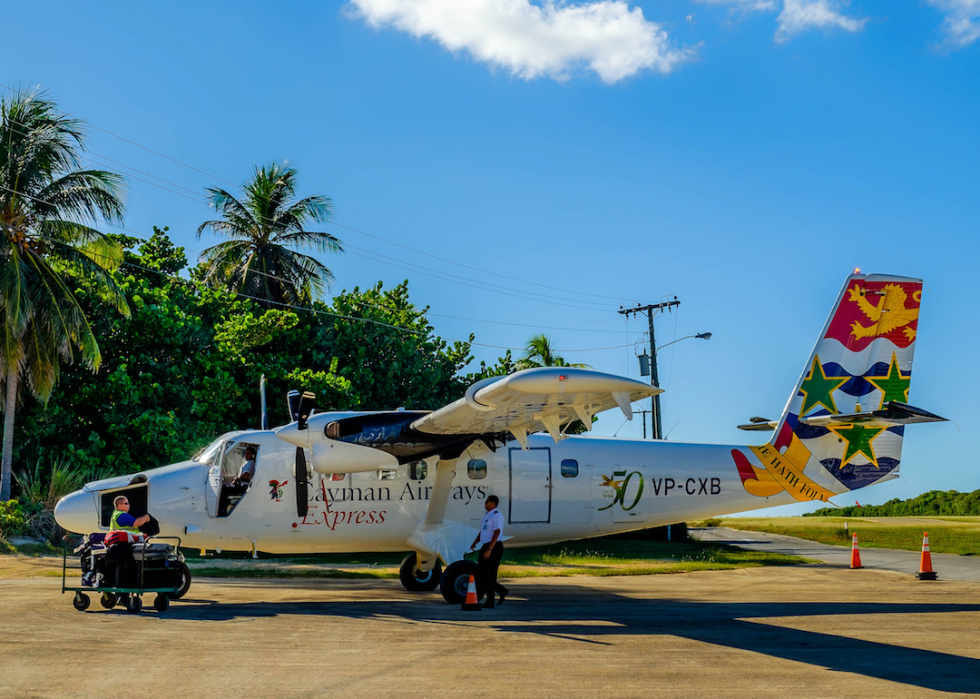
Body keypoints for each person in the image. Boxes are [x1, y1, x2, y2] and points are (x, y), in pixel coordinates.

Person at [470, 494, 509, 608]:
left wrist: (490, 549)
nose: (485, 504)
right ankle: (501, 591)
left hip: (494, 547)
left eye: (487, 502)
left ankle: (490, 601)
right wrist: (475, 541)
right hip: (485, 545)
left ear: (493, 503)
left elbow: (497, 532)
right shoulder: (487, 515)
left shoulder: (497, 516)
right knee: (481, 573)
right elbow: (483, 530)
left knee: (490, 575)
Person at [105, 495, 151, 587]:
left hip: (122, 545)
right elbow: (136, 523)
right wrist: (146, 517)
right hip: (122, 547)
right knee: (127, 567)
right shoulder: (121, 515)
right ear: (119, 505)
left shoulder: (119, 515)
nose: (129, 505)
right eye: (126, 503)